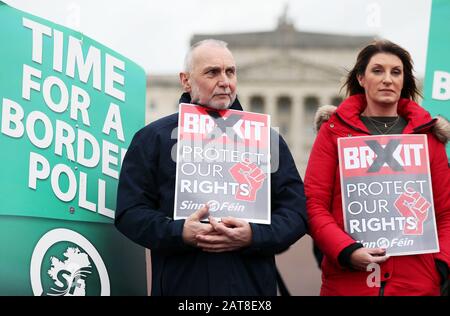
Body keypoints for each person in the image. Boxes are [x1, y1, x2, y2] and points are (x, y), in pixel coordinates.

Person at [115, 39, 308, 296]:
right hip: (182, 286)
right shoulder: (153, 138)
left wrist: (253, 235)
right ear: (186, 80)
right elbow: (129, 212)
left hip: (251, 288)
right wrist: (179, 232)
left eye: (230, 71)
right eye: (212, 72)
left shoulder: (268, 140)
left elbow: (296, 212)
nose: (225, 81)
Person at [305, 40, 450, 296]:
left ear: (404, 81)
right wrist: (347, 251)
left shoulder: (428, 137)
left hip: (416, 282)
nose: (387, 79)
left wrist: (440, 266)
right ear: (361, 78)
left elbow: (446, 212)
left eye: (396, 72)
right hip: (349, 282)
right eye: (377, 70)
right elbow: (314, 204)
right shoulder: (333, 133)